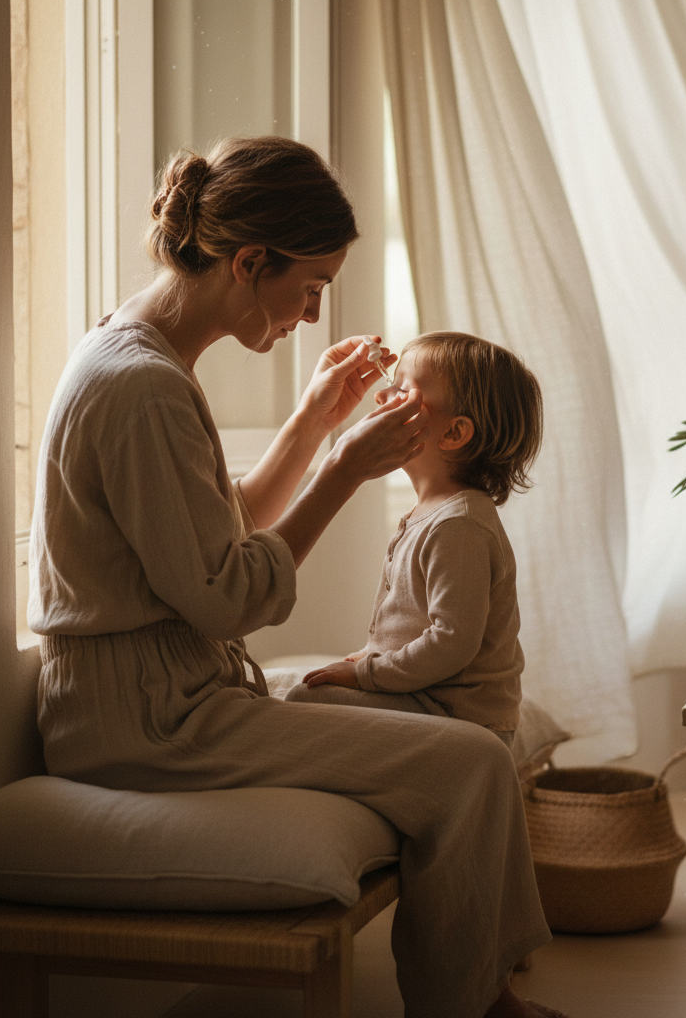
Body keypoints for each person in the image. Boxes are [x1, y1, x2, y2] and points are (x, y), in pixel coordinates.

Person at [29, 135, 565, 1018]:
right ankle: (473, 1008)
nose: (313, 314)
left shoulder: (140, 351)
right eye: (309, 287)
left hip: (169, 695)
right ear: (249, 262)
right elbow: (231, 596)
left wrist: (316, 422)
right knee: (472, 760)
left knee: (363, 706)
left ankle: (480, 988)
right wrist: (344, 473)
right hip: (147, 724)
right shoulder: (142, 387)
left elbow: (221, 525)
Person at [286, 332, 543, 752]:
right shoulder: (434, 514)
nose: (382, 396)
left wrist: (367, 674)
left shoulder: (459, 525)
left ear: (455, 433)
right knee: (305, 693)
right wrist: (370, 656)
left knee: (304, 700)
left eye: (403, 391)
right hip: (428, 699)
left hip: (460, 719)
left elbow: (452, 640)